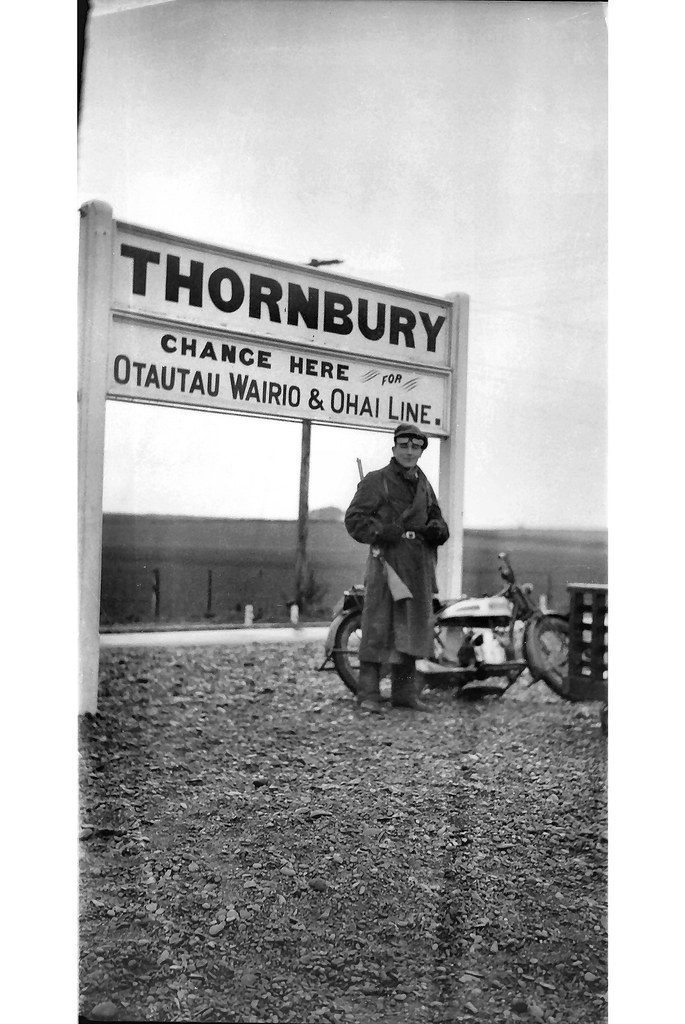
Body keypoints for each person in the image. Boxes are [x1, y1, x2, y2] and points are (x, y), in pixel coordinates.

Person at [344, 423, 450, 714]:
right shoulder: (377, 481)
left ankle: (404, 695)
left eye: (415, 447)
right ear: (394, 448)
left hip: (417, 564)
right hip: (386, 562)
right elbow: (354, 520)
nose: (409, 451)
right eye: (404, 446)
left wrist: (437, 529)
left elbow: (437, 519)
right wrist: (381, 531)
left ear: (420, 451)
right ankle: (368, 694)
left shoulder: (424, 485)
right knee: (379, 625)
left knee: (412, 628)